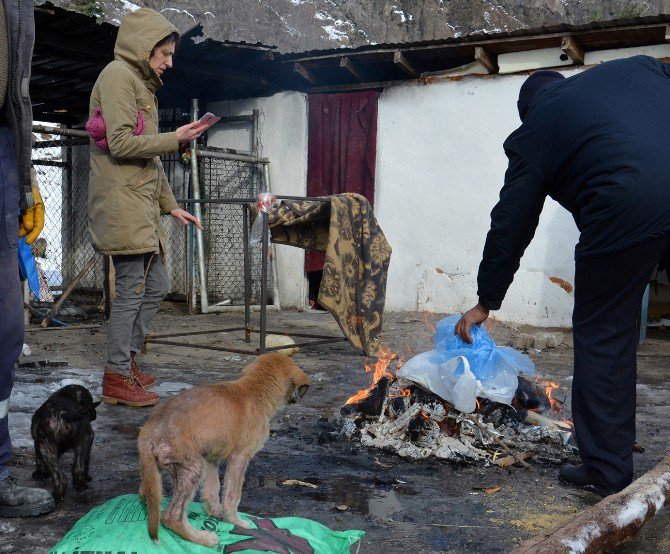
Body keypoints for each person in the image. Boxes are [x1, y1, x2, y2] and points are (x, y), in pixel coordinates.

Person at [455, 56, 670, 496]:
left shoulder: (538, 127)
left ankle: (607, 470)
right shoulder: (639, 68)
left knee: (605, 331)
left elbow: (511, 221)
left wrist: (485, 301)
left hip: (625, 201)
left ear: (527, 109)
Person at [88, 8, 207, 407]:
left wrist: (170, 206)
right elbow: (121, 144)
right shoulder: (118, 77)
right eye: (165, 53)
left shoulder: (139, 85)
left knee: (155, 285)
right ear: (145, 47)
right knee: (130, 292)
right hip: (123, 205)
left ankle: (129, 362)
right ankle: (116, 376)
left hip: (139, 204)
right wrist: (174, 138)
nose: (169, 62)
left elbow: (147, 158)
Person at [0, 0, 55, 516]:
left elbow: (16, 93)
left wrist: (24, 176)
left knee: (6, 332)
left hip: (3, 150)